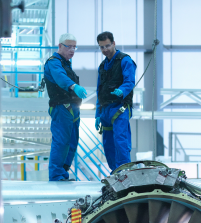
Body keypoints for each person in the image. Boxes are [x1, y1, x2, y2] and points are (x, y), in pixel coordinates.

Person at [44, 33, 88, 181]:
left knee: (72, 142)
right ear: (60, 46)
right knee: (61, 141)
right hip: (62, 108)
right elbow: (60, 77)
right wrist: (74, 86)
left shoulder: (66, 64)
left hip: (73, 109)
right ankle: (56, 175)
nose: (72, 50)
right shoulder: (54, 62)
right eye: (69, 46)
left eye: (75, 47)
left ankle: (63, 172)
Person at [94, 31, 137, 172]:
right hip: (105, 109)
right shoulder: (102, 66)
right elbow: (99, 90)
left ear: (114, 43)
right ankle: (115, 173)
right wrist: (97, 113)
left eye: (107, 46)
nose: (105, 49)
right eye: (102, 47)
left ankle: (125, 173)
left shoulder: (125, 60)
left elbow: (130, 81)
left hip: (120, 108)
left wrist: (123, 90)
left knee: (120, 141)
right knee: (108, 144)